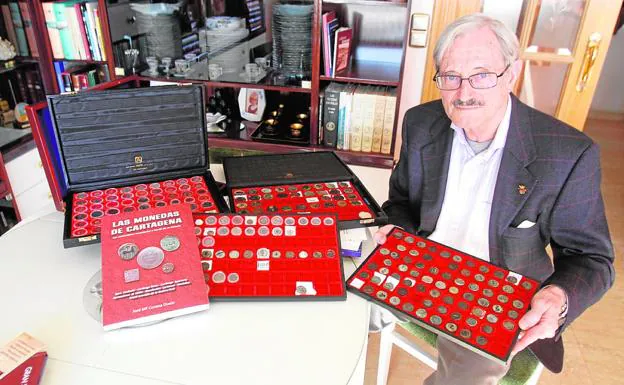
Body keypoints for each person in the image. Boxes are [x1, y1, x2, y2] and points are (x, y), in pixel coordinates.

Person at [374, 13, 615, 385]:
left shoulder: (568, 154)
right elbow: (401, 202)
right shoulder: (421, 123)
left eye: (482, 75)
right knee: (329, 288)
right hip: (418, 266)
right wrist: (397, 230)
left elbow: (592, 258)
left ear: (512, 73)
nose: (464, 93)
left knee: (465, 378)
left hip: (493, 295)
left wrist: (558, 298)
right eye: (451, 77)